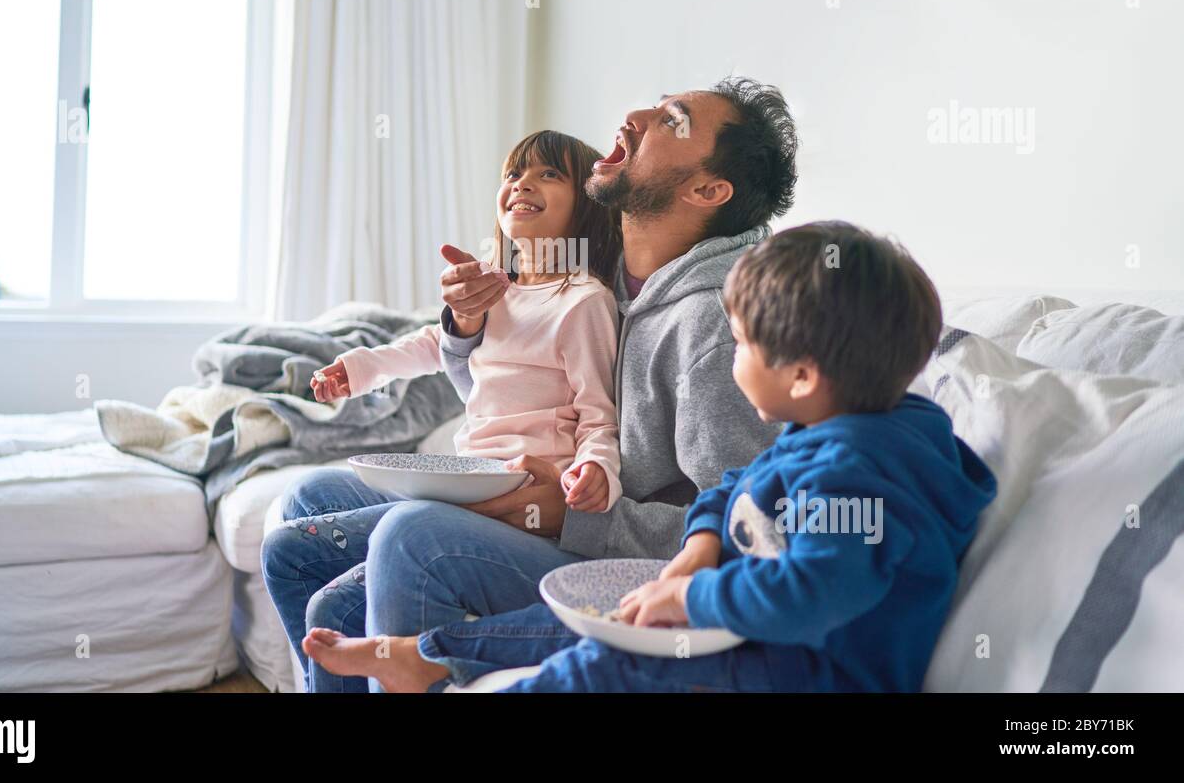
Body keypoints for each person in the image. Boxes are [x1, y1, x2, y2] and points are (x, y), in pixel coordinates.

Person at [263, 77, 799, 692]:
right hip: (536, 487)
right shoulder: (603, 270)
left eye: (671, 121)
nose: (634, 114)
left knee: (413, 539)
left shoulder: (716, 326)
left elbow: (753, 525)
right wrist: (464, 332)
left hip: (612, 547)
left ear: (707, 190)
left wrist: (568, 516)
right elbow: (516, 394)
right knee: (314, 500)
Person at [300, 222, 998, 692]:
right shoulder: (836, 424)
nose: (734, 361)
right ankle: (426, 655)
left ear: (803, 374)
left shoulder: (862, 474)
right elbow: (735, 486)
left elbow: (814, 593)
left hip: (796, 669)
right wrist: (697, 548)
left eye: (744, 346)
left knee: (607, 659)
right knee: (593, 612)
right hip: (745, 629)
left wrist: (692, 595)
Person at [262, 129, 622, 691]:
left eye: (549, 174)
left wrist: (597, 469)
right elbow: (429, 346)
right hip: (466, 478)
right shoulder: (492, 290)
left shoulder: (585, 302)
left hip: (517, 493)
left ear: (587, 207)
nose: (522, 183)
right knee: (309, 519)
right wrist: (354, 370)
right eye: (513, 173)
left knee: (291, 557)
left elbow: (601, 416)